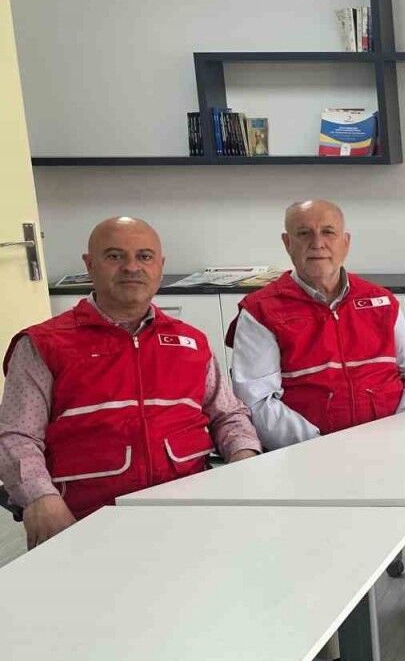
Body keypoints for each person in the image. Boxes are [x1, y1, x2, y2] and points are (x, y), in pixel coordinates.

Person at [228, 200, 405, 661]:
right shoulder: (261, 310)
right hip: (311, 460)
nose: (317, 243)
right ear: (287, 243)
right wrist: (325, 448)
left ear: (346, 242)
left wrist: (391, 435)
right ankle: (328, 645)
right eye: (304, 233)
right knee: (318, 532)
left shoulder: (380, 301)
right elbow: (257, 401)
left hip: (391, 447)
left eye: (328, 232)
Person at [0, 217, 261, 549]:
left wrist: (244, 460)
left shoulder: (191, 342)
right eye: (114, 256)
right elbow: (17, 435)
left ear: (160, 266)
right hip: (85, 517)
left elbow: (228, 415)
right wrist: (40, 497)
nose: (131, 267)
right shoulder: (43, 344)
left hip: (191, 508)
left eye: (144, 256)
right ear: (89, 265)